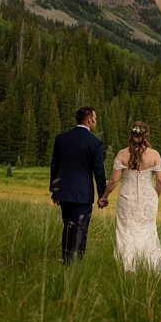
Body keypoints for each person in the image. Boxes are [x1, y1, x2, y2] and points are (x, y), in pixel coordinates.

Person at [98, 121, 161, 273]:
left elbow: (114, 180)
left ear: (131, 134)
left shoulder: (122, 154)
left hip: (127, 199)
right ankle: (150, 267)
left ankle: (128, 267)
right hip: (148, 199)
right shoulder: (154, 155)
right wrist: (155, 196)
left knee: (126, 231)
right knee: (147, 231)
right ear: (146, 135)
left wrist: (104, 196)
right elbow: (160, 181)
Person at [49, 106, 107, 264]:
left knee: (67, 226)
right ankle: (76, 263)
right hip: (83, 194)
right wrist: (103, 195)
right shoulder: (95, 143)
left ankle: (66, 260)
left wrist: (54, 190)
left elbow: (54, 165)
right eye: (94, 119)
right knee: (80, 229)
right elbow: (99, 172)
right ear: (89, 120)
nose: (95, 121)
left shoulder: (62, 138)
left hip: (64, 192)